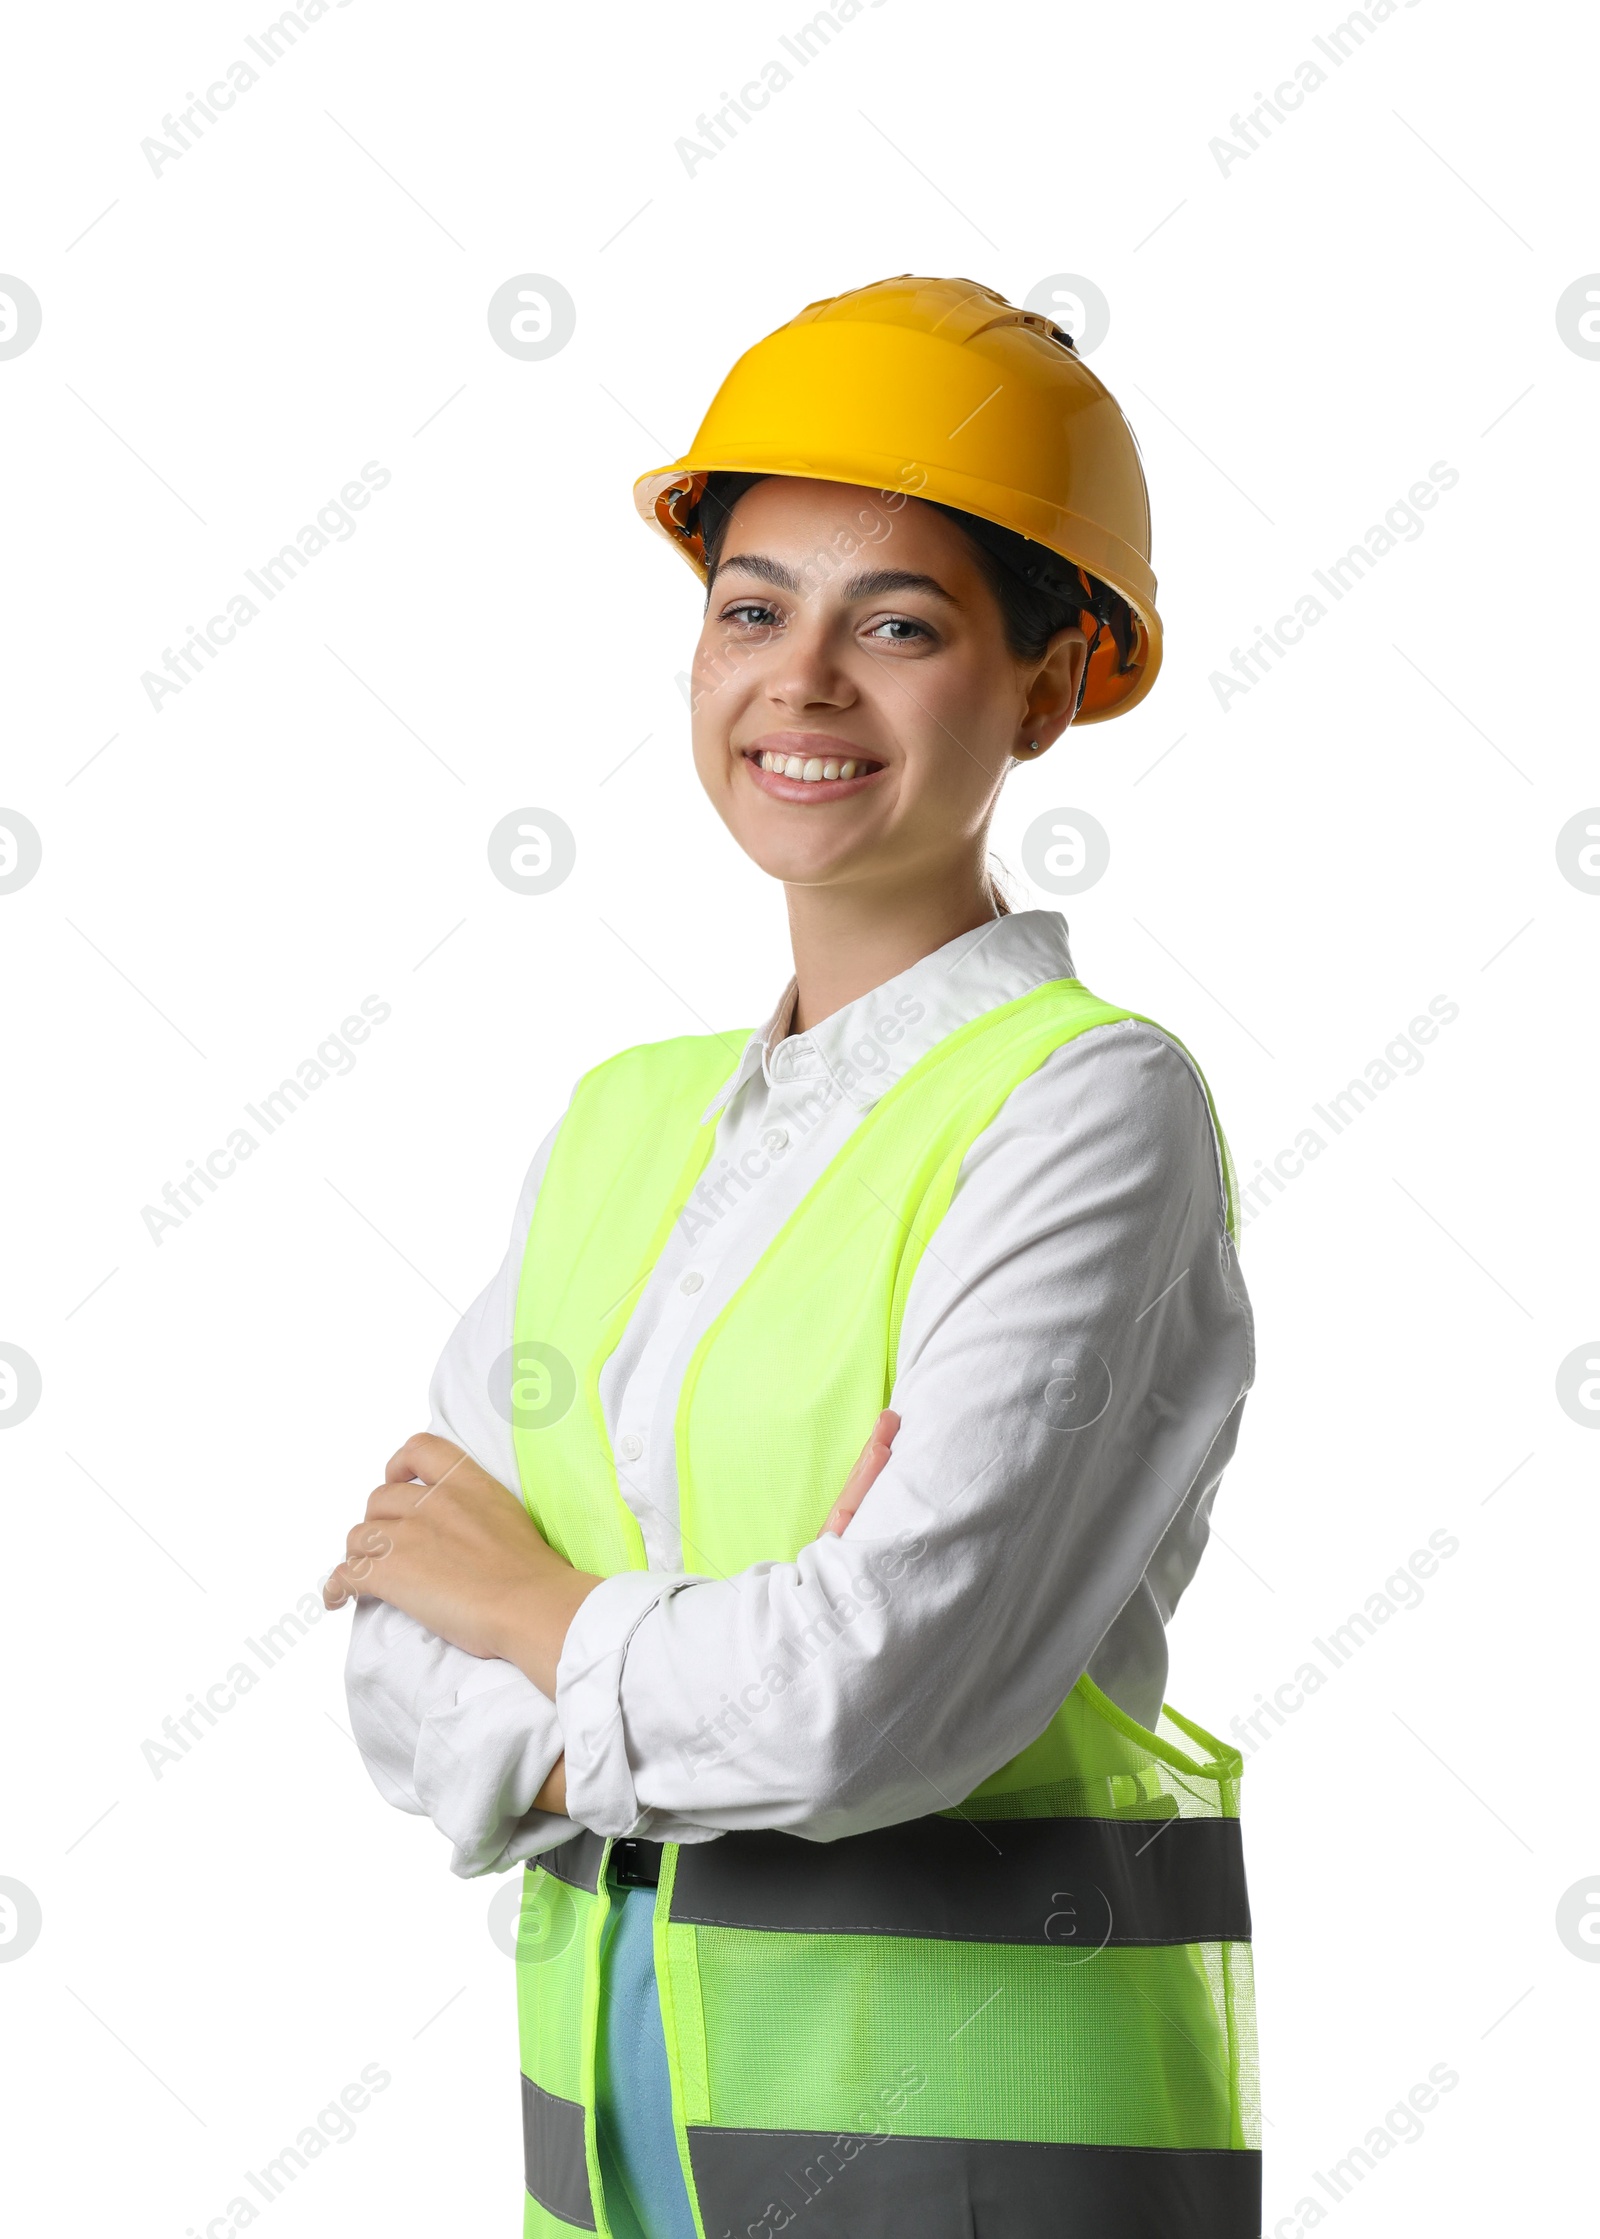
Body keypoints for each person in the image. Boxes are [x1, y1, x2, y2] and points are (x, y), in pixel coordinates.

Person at [324, 275, 1260, 2239]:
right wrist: (686, 1646)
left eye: (895, 623)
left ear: (1050, 677)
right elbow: (398, 1668)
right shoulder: (616, 1122)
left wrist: (546, 1610)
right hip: (618, 2180)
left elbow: (868, 1700)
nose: (800, 680)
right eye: (749, 607)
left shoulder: (1088, 1114)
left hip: (984, 2177)